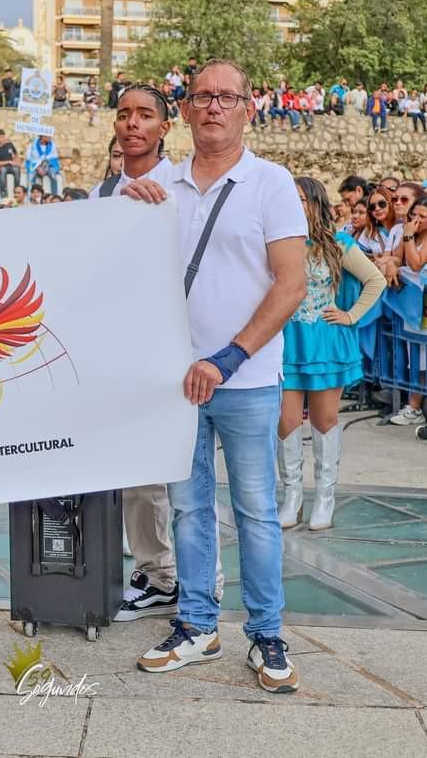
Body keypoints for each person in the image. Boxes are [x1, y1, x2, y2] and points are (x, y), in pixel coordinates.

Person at [122, 59, 307, 694]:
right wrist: (128, 204)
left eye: (227, 97)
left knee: (255, 512)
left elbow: (292, 284)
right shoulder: (161, 184)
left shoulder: (271, 183)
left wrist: (228, 357)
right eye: (202, 96)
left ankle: (267, 634)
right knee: (189, 509)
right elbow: (121, 265)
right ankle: (197, 624)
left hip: (245, 378)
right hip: (177, 384)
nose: (214, 107)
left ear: (249, 107)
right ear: (187, 108)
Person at [89, 84, 184, 621]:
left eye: (145, 115)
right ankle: (157, 576)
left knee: (184, 477)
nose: (132, 124)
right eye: (124, 114)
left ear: (164, 126)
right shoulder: (101, 194)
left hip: (175, 346)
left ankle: (197, 583)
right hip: (117, 349)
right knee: (136, 476)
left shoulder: (184, 186)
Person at [277, 178, 384, 530]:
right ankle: (291, 497)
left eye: (300, 199)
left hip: (326, 341)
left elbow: (376, 280)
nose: (294, 204)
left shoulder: (338, 245)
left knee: (324, 420)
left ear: (315, 202)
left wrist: (351, 315)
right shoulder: (279, 243)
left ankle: (324, 498)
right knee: (285, 421)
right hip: (288, 342)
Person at [0, 129, 20, 197]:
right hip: (2, 167)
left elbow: (16, 154)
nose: (4, 138)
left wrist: (16, 162)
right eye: (1, 137)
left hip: (12, 167)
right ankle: (3, 192)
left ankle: (17, 190)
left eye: (4, 136)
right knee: (3, 170)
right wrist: (8, 161)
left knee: (17, 169)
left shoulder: (10, 145)